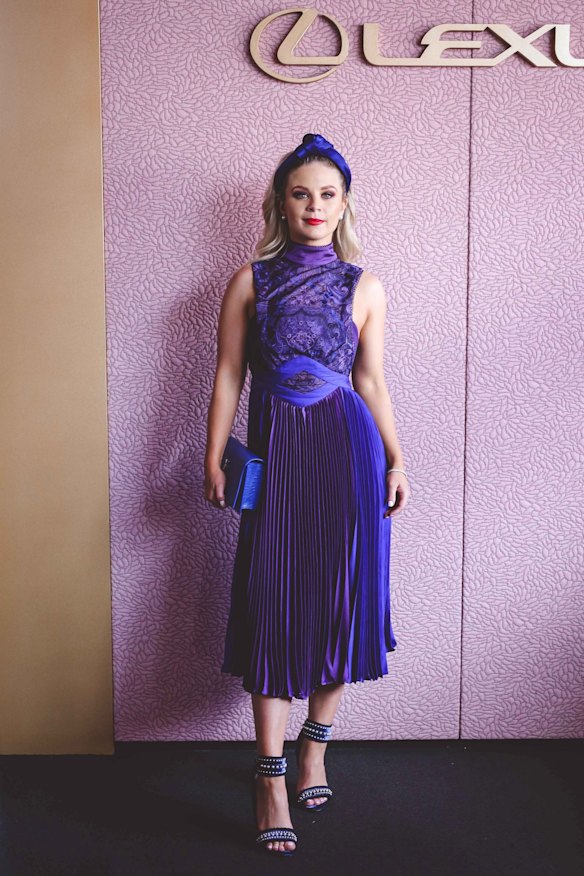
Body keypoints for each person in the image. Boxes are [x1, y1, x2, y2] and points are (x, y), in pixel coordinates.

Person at [204, 133, 410, 856]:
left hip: (348, 453)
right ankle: (267, 773)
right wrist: (213, 453)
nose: (314, 205)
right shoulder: (249, 281)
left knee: (340, 602)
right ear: (281, 204)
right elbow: (231, 374)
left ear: (344, 203)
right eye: (301, 193)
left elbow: (371, 382)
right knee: (275, 598)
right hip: (280, 457)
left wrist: (395, 456)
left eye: (327, 194)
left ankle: (315, 747)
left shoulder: (366, 285)